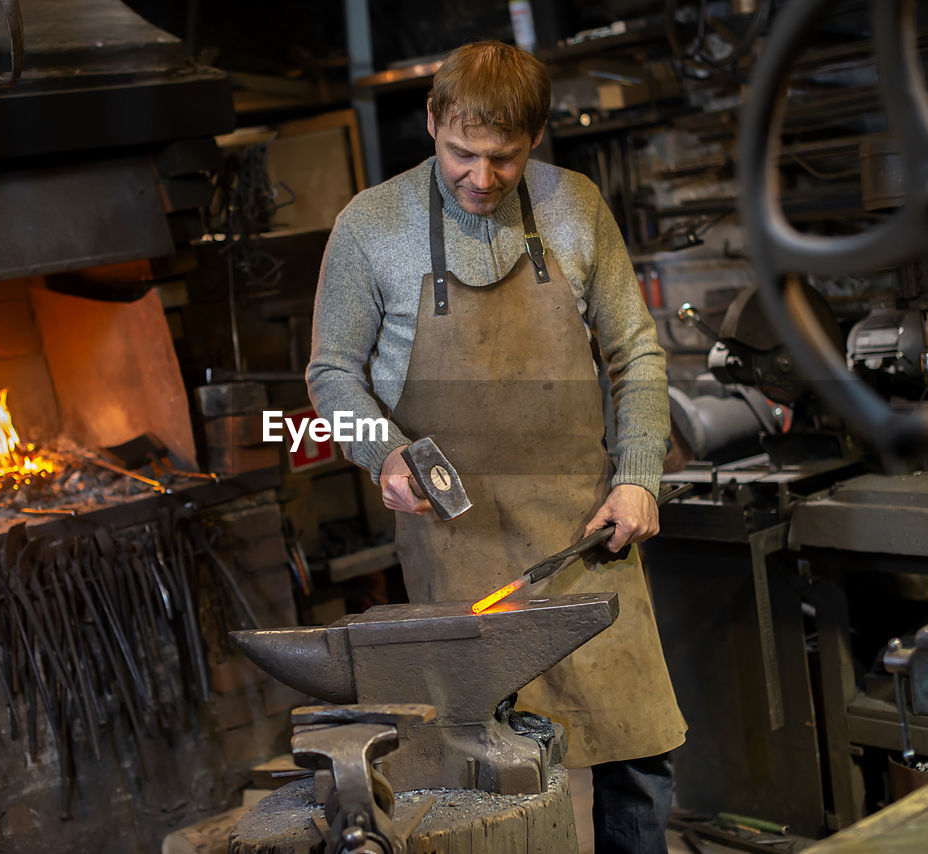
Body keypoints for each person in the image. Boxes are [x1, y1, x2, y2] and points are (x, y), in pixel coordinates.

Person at [306, 40, 685, 853]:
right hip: (459, 556)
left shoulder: (575, 206)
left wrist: (640, 473)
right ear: (433, 122)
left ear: (537, 138)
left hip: (586, 542)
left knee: (639, 765)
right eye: (462, 155)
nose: (482, 178)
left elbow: (637, 354)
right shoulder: (370, 226)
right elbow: (333, 374)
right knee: (476, 787)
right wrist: (385, 454)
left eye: (505, 159)